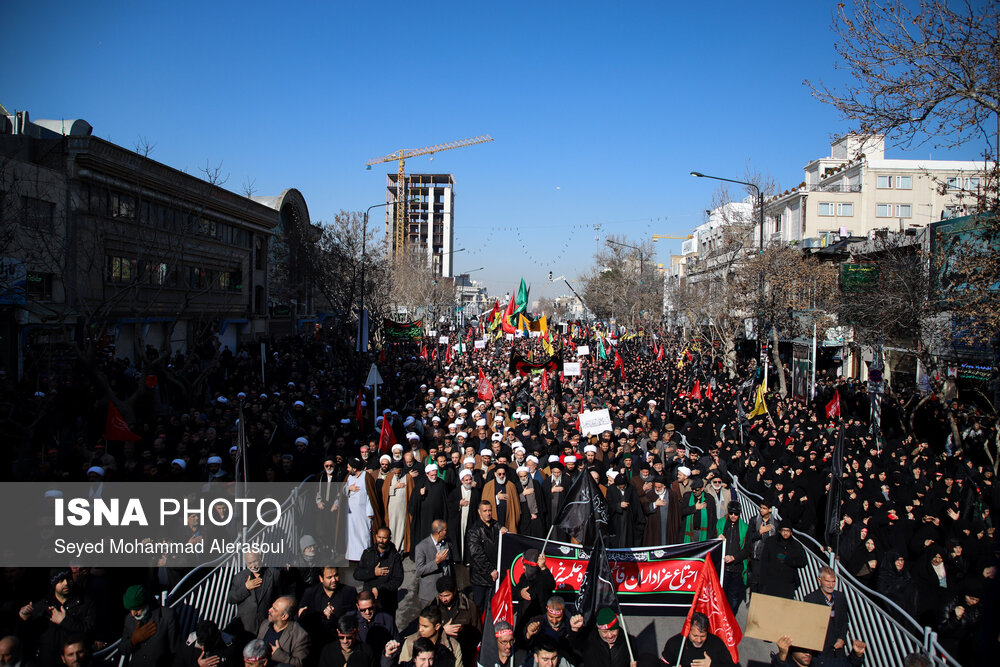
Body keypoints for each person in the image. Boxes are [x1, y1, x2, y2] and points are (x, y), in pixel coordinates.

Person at [17, 569, 97, 667]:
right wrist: (24, 619)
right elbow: (27, 636)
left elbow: (90, 630)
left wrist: (65, 621)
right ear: (53, 583)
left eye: (69, 579)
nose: (66, 583)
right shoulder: (42, 606)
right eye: (60, 581)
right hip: (47, 660)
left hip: (75, 660)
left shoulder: (85, 602)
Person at [119, 585, 177, 667]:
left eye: (137, 609)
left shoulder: (166, 616)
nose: (133, 613)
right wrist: (133, 641)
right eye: (130, 610)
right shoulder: (129, 619)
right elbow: (122, 649)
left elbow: (175, 650)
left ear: (145, 603)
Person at [298, 568, 357, 645]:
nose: (334, 580)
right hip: (317, 641)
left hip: (341, 640)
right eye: (329, 577)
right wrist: (301, 615)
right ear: (321, 578)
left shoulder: (349, 592)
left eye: (336, 576)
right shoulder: (310, 593)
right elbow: (300, 616)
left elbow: (354, 617)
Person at [353, 527, 404, 616]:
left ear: (389, 538)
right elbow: (357, 574)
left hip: (388, 601)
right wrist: (373, 572)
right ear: (376, 537)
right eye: (379, 537)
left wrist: (380, 589)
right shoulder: (368, 553)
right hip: (369, 601)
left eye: (384, 538)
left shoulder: (394, 556)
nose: (381, 540)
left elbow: (398, 579)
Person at [465, 501, 506, 612]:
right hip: (480, 577)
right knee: (479, 606)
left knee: (493, 606)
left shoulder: (495, 525)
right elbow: (477, 554)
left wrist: (502, 529)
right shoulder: (474, 531)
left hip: (494, 575)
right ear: (479, 512)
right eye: (485, 511)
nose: (488, 513)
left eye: (489, 510)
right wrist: (490, 570)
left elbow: (499, 528)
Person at [430, 577, 478, 666]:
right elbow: (423, 633)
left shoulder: (469, 607)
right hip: (439, 658)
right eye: (441, 596)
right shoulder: (432, 607)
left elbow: (477, 633)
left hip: (464, 656)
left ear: (455, 591)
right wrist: (442, 630)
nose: (443, 599)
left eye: (447, 595)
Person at [802, 567, 849, 659]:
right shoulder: (811, 599)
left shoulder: (840, 597)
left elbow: (844, 620)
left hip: (837, 649)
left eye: (833, 581)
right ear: (819, 580)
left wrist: (842, 638)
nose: (831, 585)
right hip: (820, 651)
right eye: (827, 581)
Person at [228, 552, 279, 634]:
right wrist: (245, 588)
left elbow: (281, 595)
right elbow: (231, 599)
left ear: (260, 558)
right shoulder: (239, 577)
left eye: (255, 561)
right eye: (249, 563)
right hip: (246, 628)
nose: (253, 566)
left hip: (267, 624)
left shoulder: (273, 574)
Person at [659, 612, 734, 667]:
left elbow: (730, 665)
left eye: (703, 636)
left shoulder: (716, 643)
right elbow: (663, 663)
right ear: (688, 630)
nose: (699, 640)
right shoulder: (675, 643)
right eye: (695, 636)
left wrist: (711, 665)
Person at [394, 606, 461, 667]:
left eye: (425, 626)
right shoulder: (410, 643)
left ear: (437, 626)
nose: (420, 629)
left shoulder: (452, 645)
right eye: (420, 625)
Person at [717, 501, 751, 614]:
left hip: (737, 569)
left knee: (734, 598)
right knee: (720, 595)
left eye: (736, 514)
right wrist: (717, 538)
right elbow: (711, 540)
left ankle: (730, 618)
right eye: (731, 513)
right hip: (723, 569)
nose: (733, 516)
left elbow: (747, 549)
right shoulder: (720, 523)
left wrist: (734, 557)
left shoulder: (745, 528)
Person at [256, 597, 309, 667]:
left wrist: (279, 655)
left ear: (284, 616)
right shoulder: (265, 624)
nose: (269, 610)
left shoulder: (300, 636)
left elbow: (299, 663)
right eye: (272, 607)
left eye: (274, 610)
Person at [759, 521, 807, 599]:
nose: (785, 533)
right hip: (771, 582)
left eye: (788, 531)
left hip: (787, 583)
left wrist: (787, 560)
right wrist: (762, 581)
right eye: (784, 530)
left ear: (791, 532)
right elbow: (764, 562)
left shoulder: (796, 545)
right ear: (780, 531)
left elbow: (803, 562)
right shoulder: (771, 542)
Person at [415, 521, 453, 608]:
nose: (447, 532)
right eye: (445, 530)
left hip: (445, 593)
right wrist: (436, 562)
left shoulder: (446, 543)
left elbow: (451, 566)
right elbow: (419, 571)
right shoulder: (421, 547)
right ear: (439, 532)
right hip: (429, 594)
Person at [174, 620, 240, 667]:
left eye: (208, 645)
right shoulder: (187, 647)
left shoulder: (230, 647)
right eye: (200, 644)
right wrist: (198, 665)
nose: (203, 649)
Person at [770, 635, 866, 666]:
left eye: (810, 649)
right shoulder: (786, 662)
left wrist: (857, 655)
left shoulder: (819, 662)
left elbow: (846, 664)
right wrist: (781, 656)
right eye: (802, 649)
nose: (807, 653)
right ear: (792, 649)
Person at [679, 478, 717, 543]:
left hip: (704, 531)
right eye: (692, 489)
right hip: (690, 531)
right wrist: (694, 508)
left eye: (696, 489)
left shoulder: (709, 499)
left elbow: (713, 518)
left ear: (702, 489)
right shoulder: (687, 497)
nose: (694, 491)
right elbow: (681, 511)